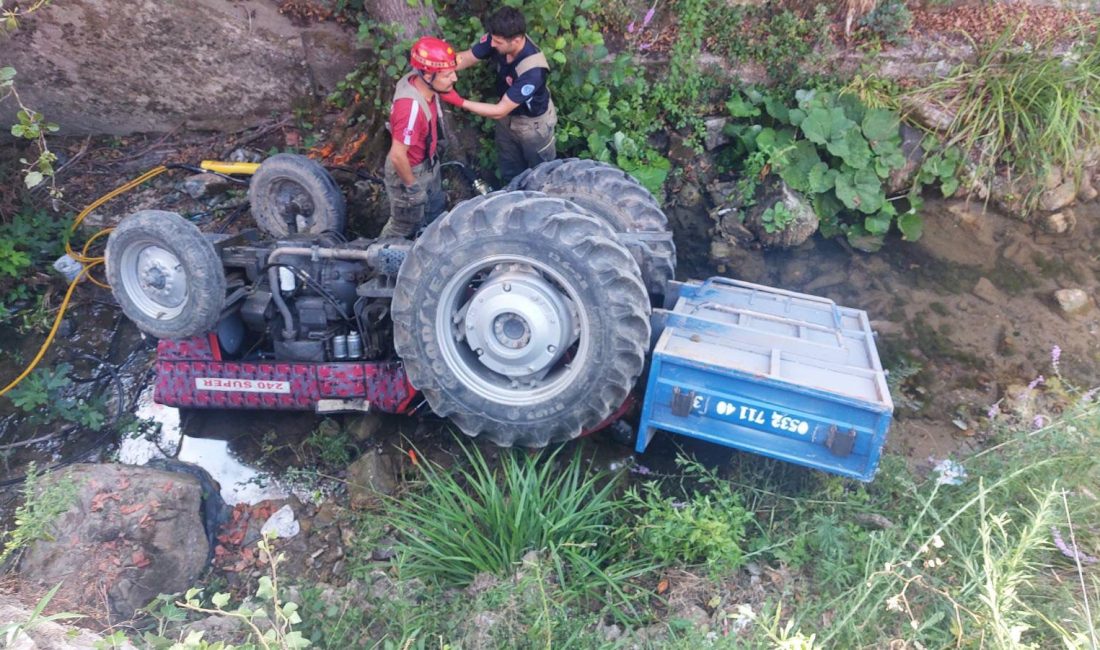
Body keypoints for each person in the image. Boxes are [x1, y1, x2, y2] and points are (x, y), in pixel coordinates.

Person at [440, 7, 556, 183]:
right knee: (510, 169)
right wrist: (441, 66)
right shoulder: (498, 37)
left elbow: (500, 110)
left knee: (541, 175)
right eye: (492, 40)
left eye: (498, 42)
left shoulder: (533, 71)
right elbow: (469, 57)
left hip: (533, 126)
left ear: (516, 41)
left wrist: (459, 101)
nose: (492, 45)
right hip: (506, 118)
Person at [379, 36, 458, 239]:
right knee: (403, 225)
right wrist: (412, 188)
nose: (454, 79)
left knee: (435, 212)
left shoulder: (421, 81)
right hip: (410, 171)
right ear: (428, 75)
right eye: (448, 75)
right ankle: (381, 261)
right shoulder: (410, 108)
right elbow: (397, 155)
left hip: (428, 164)